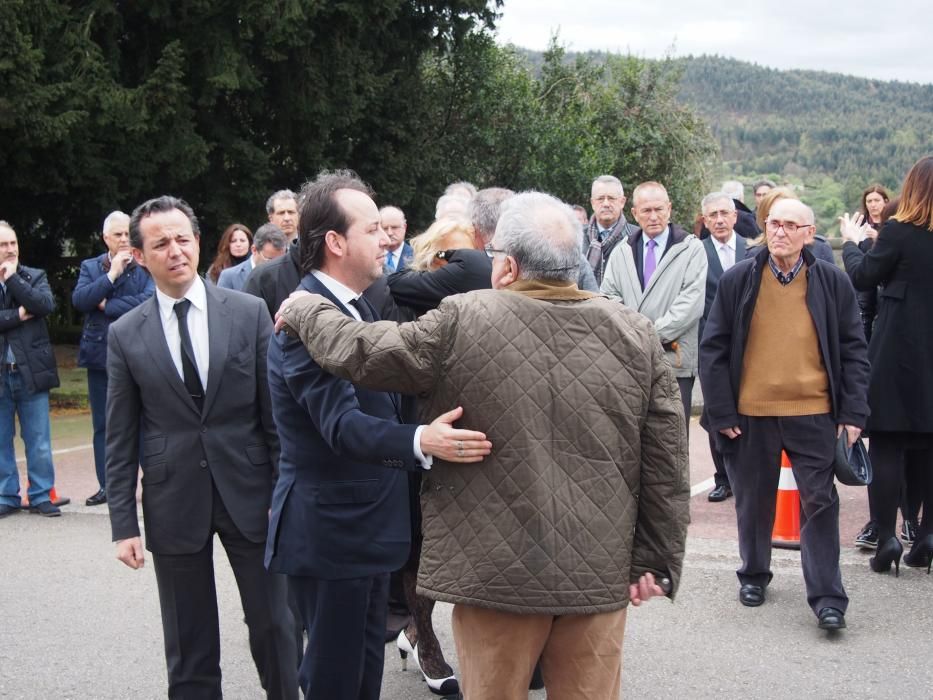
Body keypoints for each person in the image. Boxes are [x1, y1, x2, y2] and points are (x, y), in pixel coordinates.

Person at [276, 190, 689, 699]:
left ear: (509, 266)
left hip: (496, 578)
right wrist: (655, 559)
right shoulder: (637, 332)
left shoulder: (462, 318)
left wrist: (307, 310)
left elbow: (365, 352)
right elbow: (668, 460)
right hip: (598, 580)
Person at [263, 170, 489, 699]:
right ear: (335, 242)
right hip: (332, 534)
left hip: (364, 533)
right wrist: (420, 441)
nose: (387, 239)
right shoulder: (303, 318)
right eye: (372, 229)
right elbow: (341, 426)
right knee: (334, 681)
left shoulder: (359, 305)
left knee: (363, 679)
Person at [105, 196, 298, 698]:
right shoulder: (126, 334)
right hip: (173, 499)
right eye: (161, 243)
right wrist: (124, 522)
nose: (175, 251)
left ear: (197, 241)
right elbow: (120, 435)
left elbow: (274, 417)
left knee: (277, 626)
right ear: (141, 256)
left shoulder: (248, 312)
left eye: (183, 239)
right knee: (189, 642)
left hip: (252, 491)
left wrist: (284, 495)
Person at [700, 198, 868, 631]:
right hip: (750, 412)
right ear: (764, 227)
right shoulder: (740, 279)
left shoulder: (832, 282)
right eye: (774, 223)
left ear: (809, 234)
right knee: (753, 502)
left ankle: (828, 598)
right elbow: (714, 348)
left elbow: (853, 351)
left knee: (821, 503)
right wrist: (720, 411)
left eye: (791, 226)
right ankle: (754, 574)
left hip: (814, 411)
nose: (780, 232)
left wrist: (853, 413)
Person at [840, 155, 933, 575]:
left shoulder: (898, 230)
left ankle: (886, 535)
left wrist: (852, 242)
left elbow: (864, 276)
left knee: (889, 445)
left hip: (898, 351)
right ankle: (928, 535)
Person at [600, 181, 707, 433]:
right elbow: (608, 298)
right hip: (629, 360)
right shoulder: (621, 251)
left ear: (669, 209)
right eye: (646, 211)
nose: (653, 216)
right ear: (635, 213)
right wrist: (632, 336)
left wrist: (646, 336)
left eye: (659, 209)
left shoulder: (691, 249)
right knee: (631, 435)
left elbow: (689, 305)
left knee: (672, 438)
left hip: (673, 359)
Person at [71, 210, 154, 506]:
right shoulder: (91, 267)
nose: (123, 239)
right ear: (105, 237)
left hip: (139, 353)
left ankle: (153, 483)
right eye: (117, 234)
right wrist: (111, 275)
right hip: (99, 356)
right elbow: (81, 300)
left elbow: (148, 300)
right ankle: (108, 486)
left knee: (145, 421)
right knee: (104, 425)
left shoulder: (145, 264)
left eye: (127, 234)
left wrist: (107, 305)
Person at [0, 221, 61, 518]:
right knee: (0, 439)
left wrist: (13, 281)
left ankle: (40, 494)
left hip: (30, 371)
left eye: (13, 243)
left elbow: (44, 304)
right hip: (1, 373)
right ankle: (6, 495)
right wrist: (19, 315)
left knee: (38, 439)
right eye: (3, 245)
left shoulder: (34, 276)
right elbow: (28, 309)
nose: (10, 249)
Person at [699, 193, 746, 503]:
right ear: (704, 221)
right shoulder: (696, 253)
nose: (718, 219)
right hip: (710, 340)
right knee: (715, 407)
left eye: (723, 213)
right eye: (712, 215)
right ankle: (722, 478)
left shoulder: (752, 249)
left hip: (748, 342)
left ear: (734, 217)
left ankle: (745, 474)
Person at [244, 190, 302, 318]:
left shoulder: (311, 254)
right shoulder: (258, 273)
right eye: (281, 213)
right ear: (271, 218)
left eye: (291, 212)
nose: (287, 218)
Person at [749, 187, 835, 264]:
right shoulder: (753, 256)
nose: (780, 231)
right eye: (773, 219)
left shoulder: (820, 249)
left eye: (789, 223)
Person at [852, 184, 892, 344]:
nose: (873, 204)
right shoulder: (860, 224)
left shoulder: (892, 225)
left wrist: (878, 237)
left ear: (885, 201)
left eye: (876, 200)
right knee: (863, 314)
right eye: (869, 201)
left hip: (884, 278)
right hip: (864, 274)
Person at [582, 175, 638, 284]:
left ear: (622, 202)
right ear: (592, 203)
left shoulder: (637, 237)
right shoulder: (576, 237)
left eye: (611, 198)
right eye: (600, 199)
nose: (606, 204)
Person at [217, 223, 288, 291]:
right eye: (270, 260)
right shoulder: (229, 276)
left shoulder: (289, 273)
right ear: (254, 250)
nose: (276, 265)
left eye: (281, 260)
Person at [380, 206, 414, 273]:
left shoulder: (417, 258)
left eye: (394, 227)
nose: (389, 233)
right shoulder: (371, 258)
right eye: (385, 228)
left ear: (404, 227)